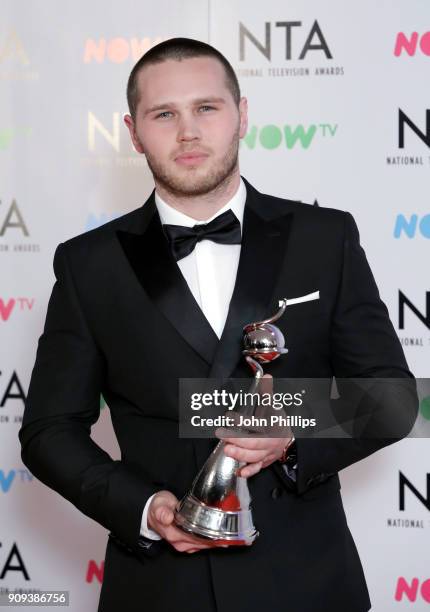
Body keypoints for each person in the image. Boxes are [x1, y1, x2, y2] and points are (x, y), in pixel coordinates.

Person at [19, 37, 417, 612]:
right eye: (164, 114)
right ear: (133, 132)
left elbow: (394, 398)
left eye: (206, 108)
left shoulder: (325, 238)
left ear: (242, 114)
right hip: (157, 587)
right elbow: (49, 430)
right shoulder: (89, 264)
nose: (188, 132)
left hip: (307, 582)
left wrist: (294, 435)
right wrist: (144, 507)